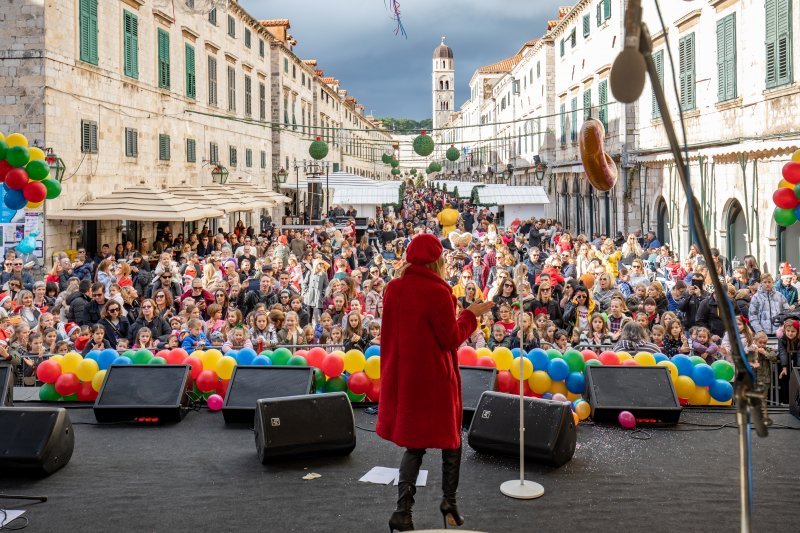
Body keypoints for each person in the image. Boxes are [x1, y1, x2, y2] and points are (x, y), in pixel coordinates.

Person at [376, 233, 493, 532]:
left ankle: (403, 512)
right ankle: (449, 502)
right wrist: (470, 315)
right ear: (437, 260)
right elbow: (450, 338)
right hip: (435, 378)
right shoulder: (437, 292)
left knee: (414, 446)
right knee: (451, 440)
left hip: (407, 377)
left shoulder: (394, 288)